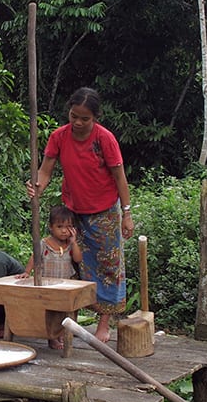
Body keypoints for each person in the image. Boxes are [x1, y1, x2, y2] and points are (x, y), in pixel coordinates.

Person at [26, 87, 135, 343]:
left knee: (107, 266)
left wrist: (127, 214)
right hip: (73, 212)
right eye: (74, 116)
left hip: (104, 212)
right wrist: (36, 187)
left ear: (95, 117)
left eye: (84, 118)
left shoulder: (104, 139)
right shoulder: (59, 137)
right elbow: (45, 170)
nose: (77, 122)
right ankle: (67, 323)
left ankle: (104, 324)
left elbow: (120, 177)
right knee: (73, 265)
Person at [17, 205, 83, 349]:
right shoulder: (44, 244)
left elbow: (78, 259)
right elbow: (35, 258)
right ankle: (52, 338)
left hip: (65, 284)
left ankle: (65, 334)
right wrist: (27, 272)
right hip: (48, 285)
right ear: (51, 227)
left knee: (66, 311)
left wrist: (74, 242)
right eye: (60, 226)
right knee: (51, 313)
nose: (64, 230)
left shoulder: (70, 245)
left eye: (68, 227)